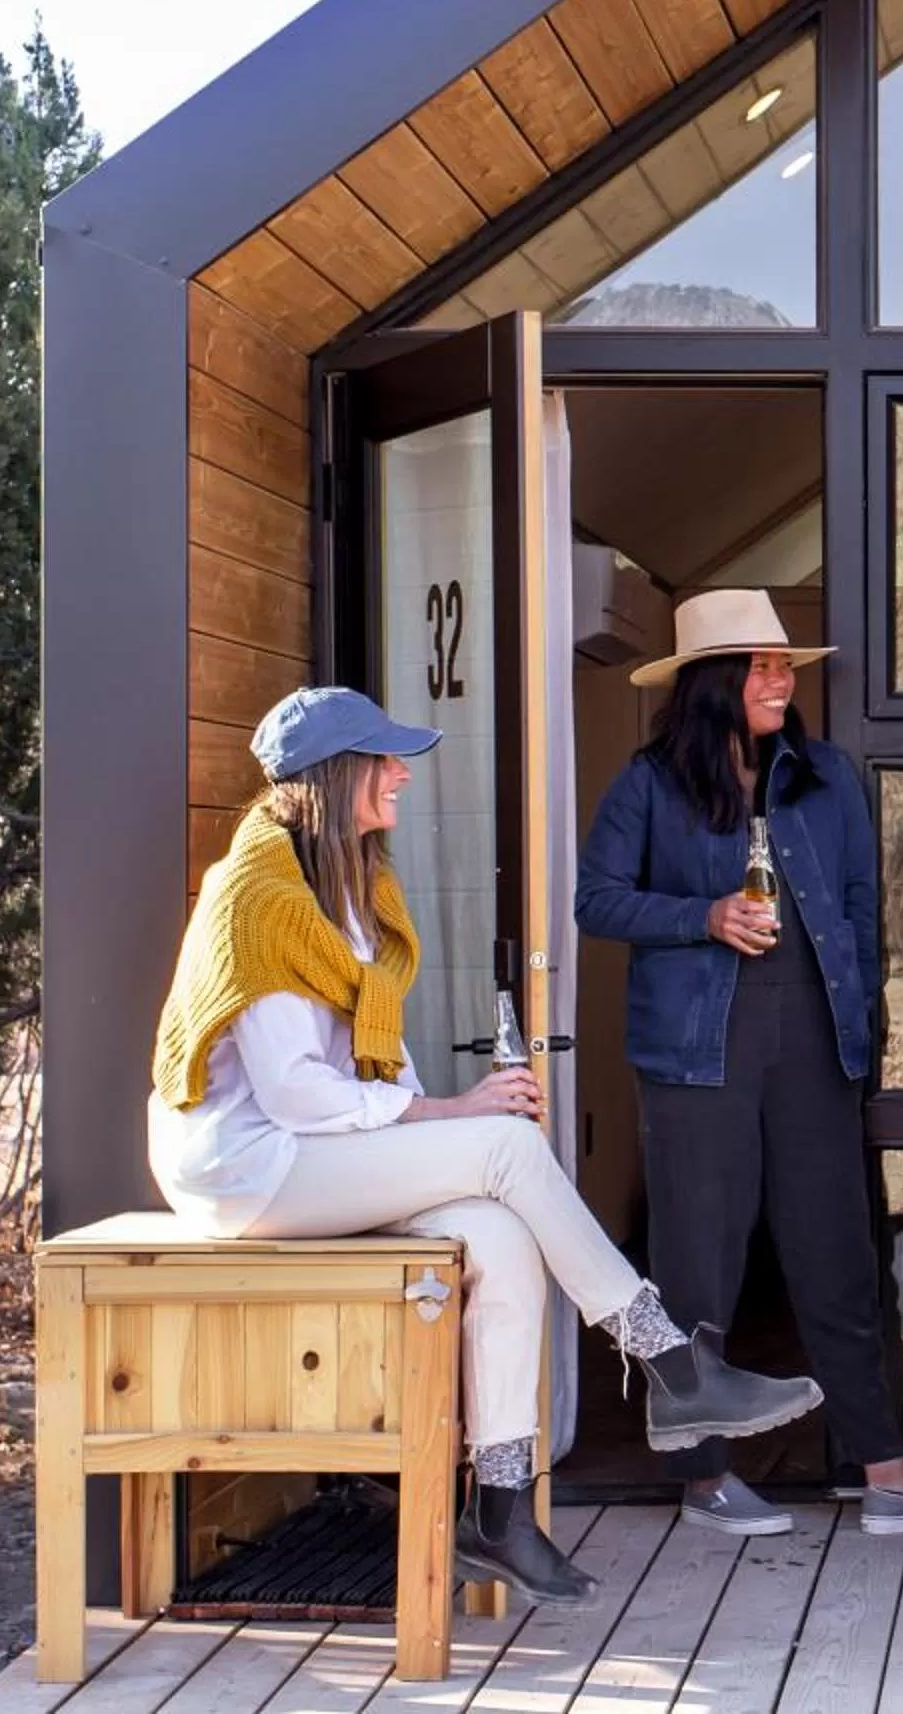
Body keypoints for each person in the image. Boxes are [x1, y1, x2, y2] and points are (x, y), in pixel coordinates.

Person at [148, 685, 825, 1606]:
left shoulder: (351, 892)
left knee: (503, 1240)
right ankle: (670, 1362)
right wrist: (452, 1114)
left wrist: (437, 1112)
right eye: (384, 760)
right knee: (504, 1146)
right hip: (244, 1166)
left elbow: (371, 1058)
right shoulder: (257, 898)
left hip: (309, 1156)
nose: (402, 775)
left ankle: (499, 1513)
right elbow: (295, 1093)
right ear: (333, 776)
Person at [572, 589, 903, 1538]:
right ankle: (704, 1477)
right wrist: (701, 916)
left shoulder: (825, 778)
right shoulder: (650, 783)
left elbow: (861, 911)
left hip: (813, 1043)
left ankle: (883, 1464)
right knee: (698, 1259)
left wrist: (858, 1027)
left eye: (785, 665)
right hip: (693, 1052)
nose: (782, 680)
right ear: (714, 680)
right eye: (762, 665)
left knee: (837, 1252)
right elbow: (596, 900)